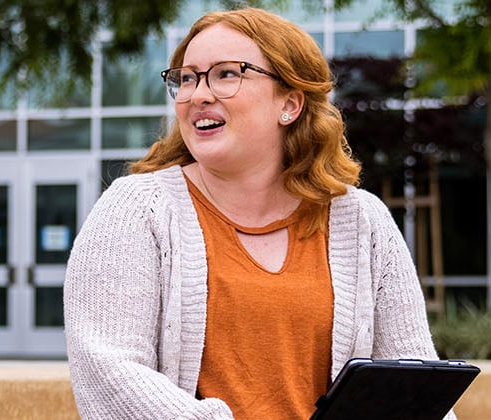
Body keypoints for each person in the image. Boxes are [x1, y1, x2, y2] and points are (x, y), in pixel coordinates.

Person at [63, 7, 450, 420]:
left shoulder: (362, 221)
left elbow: (414, 385)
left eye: (227, 74)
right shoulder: (136, 210)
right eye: (188, 78)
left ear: (290, 103)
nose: (198, 94)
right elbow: (109, 372)